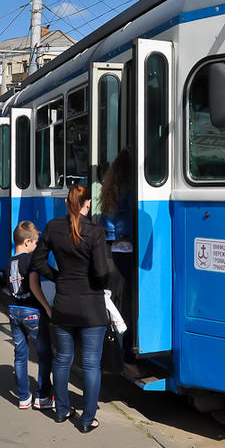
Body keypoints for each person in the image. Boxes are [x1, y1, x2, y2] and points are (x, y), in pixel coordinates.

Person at [30, 185, 110, 433]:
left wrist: (58, 277)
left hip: (64, 305)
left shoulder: (53, 227)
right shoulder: (95, 232)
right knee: (91, 365)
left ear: (67, 202)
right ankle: (87, 420)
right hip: (91, 308)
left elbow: (37, 262)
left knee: (63, 360)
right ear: (87, 203)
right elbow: (102, 273)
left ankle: (62, 411)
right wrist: (96, 285)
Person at [98, 148, 137, 372]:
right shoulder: (131, 188)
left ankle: (127, 346)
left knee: (130, 297)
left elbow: (107, 224)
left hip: (118, 250)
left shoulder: (112, 187)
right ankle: (128, 353)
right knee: (136, 304)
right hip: (130, 247)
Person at [8, 221, 54, 410]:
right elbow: (34, 286)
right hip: (32, 312)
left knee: (20, 355)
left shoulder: (9, 261)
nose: (36, 246)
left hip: (13, 310)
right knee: (44, 354)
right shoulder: (32, 260)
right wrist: (48, 309)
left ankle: (24, 397)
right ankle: (42, 397)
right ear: (27, 242)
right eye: (35, 243)